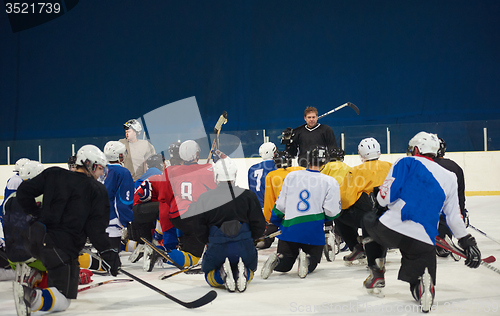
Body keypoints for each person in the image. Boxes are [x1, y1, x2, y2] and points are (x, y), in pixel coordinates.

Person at [361, 132, 481, 312]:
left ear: (416, 149)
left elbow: (384, 199)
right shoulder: (450, 177)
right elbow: (453, 217)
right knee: (419, 274)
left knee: (368, 220)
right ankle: (424, 287)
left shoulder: (405, 162)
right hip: (423, 238)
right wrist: (466, 241)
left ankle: (377, 269)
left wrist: (378, 200)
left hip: (391, 228)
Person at [13, 145, 121, 315]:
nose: (102, 173)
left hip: (34, 238)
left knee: (64, 289)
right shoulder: (96, 190)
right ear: (89, 164)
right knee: (62, 299)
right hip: (60, 248)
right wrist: (110, 255)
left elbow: (23, 192)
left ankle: (36, 273)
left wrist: (37, 213)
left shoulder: (54, 173)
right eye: (100, 168)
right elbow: (96, 231)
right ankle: (31, 296)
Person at [261, 146, 341, 279]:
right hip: (313, 232)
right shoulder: (330, 182)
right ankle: (307, 260)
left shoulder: (291, 176)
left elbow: (280, 205)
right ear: (324, 162)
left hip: (289, 230)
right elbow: (332, 212)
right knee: (314, 261)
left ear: (307, 160)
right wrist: (325, 220)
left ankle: (277, 260)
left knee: (286, 263)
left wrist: (273, 223)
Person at [190, 157, 266, 292]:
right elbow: (259, 225)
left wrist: (207, 240)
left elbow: (197, 228)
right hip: (244, 246)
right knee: (251, 270)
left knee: (209, 276)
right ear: (235, 175)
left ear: (216, 176)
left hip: (217, 247)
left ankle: (221, 275)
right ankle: (243, 273)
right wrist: (251, 238)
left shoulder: (205, 198)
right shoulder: (248, 195)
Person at [149, 140, 217, 271]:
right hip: (195, 218)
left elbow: (165, 197)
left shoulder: (169, 171)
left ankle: (167, 251)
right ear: (197, 154)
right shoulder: (207, 170)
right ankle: (163, 255)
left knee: (188, 242)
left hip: (176, 216)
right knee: (194, 257)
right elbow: (215, 194)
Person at [336, 138, 391, 265]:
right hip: (390, 215)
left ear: (360, 154)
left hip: (368, 216)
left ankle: (356, 246)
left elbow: (346, 199)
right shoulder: (390, 166)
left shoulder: (355, 171)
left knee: (338, 214)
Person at [258, 151, 305, 249]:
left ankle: (266, 240)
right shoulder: (301, 170)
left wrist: (268, 219)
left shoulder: (271, 175)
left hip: (282, 214)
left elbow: (270, 200)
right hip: (302, 213)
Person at [433, 137, 468, 257]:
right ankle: (443, 242)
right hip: (448, 210)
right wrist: (462, 212)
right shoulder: (455, 166)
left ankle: (435, 242)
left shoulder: (425, 165)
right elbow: (460, 193)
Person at [102, 141, 135, 251]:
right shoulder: (123, 172)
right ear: (119, 156)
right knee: (112, 256)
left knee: (103, 255)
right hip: (112, 219)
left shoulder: (98, 170)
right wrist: (127, 220)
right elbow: (123, 201)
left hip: (96, 219)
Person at [247, 142, 277, 209]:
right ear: (274, 153)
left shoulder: (252, 169)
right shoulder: (275, 168)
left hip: (256, 208)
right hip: (271, 208)